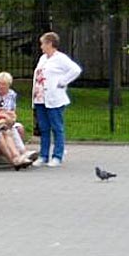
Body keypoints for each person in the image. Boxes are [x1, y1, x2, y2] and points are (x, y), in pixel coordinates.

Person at [32, 31, 82, 167]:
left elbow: (75, 70)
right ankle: (43, 155)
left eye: (42, 43)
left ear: (50, 44)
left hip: (54, 98)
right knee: (43, 128)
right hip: (40, 98)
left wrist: (62, 82)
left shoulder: (61, 58)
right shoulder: (43, 58)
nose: (41, 46)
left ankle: (57, 156)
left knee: (57, 127)